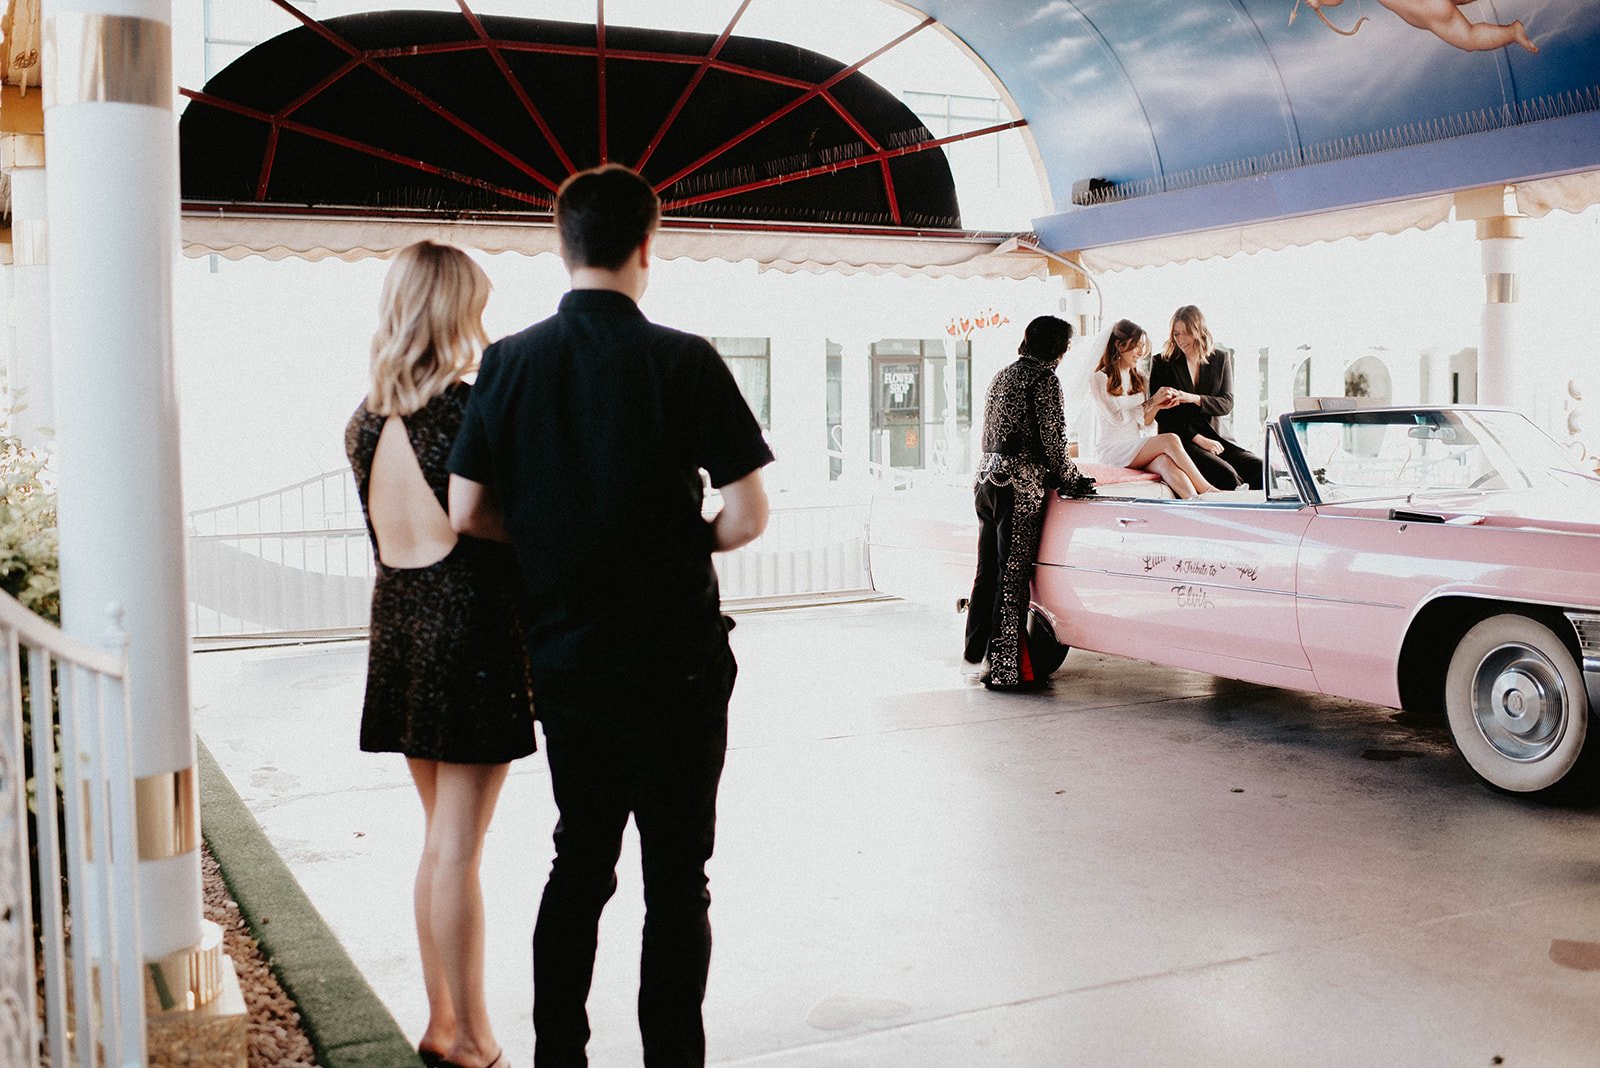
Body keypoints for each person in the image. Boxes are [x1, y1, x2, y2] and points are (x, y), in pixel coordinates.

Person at [447, 164, 773, 1068]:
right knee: (677, 881)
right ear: (647, 246)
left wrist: (555, 540)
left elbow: (467, 511)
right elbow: (747, 516)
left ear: (563, 246)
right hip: (678, 662)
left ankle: (560, 1055)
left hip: (566, 660)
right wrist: (678, 541)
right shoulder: (685, 358)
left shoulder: (510, 362)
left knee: (579, 863)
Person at [345, 240, 534, 1068]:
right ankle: (473, 1037)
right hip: (470, 631)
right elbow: (483, 519)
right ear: (453, 309)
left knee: (439, 841)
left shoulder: (365, 419)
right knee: (459, 848)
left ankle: (442, 1021)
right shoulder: (463, 410)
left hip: (399, 625)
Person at [963, 315, 1097, 691]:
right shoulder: (1044, 379)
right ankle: (1005, 671)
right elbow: (1054, 442)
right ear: (1057, 348)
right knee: (1012, 577)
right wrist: (1073, 480)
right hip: (1018, 487)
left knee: (986, 572)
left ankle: (975, 657)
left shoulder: (1002, 375)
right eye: (1065, 347)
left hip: (986, 480)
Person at [1085, 318, 1221, 500]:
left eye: (1143, 346)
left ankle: (1197, 502)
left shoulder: (1140, 377)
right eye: (1136, 346)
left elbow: (1144, 424)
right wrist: (1152, 401)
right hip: (1112, 450)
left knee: (1165, 463)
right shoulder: (1099, 378)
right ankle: (1208, 490)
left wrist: (1157, 406)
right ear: (1119, 345)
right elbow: (1118, 418)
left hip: (1134, 446)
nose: (1141, 352)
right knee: (1170, 439)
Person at [1149, 306, 1264, 491]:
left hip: (1217, 437)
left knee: (1260, 469)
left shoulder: (1220, 358)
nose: (1181, 339)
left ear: (1199, 331)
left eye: (1186, 333)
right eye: (1176, 334)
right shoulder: (1162, 363)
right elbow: (1163, 415)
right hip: (1182, 440)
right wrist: (1199, 439)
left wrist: (1194, 398)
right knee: (1227, 475)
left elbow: (1226, 403)